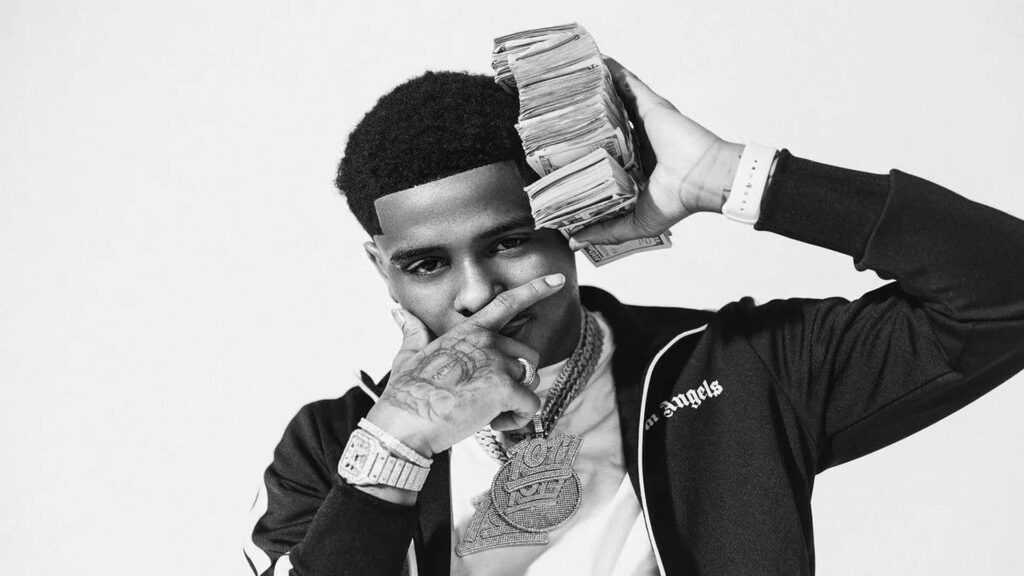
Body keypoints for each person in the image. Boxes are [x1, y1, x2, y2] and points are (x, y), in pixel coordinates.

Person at [243, 59, 1024, 575]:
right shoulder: (331, 446)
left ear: (570, 222)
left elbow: (1005, 296)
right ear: (382, 268)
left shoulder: (735, 372)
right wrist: (396, 450)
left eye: (511, 242)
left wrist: (733, 177)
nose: (476, 294)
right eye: (427, 265)